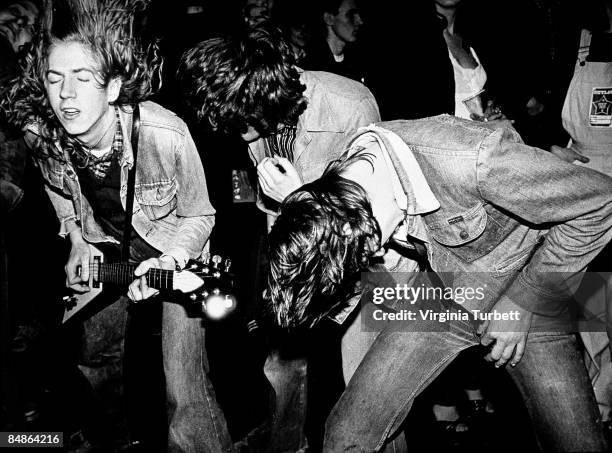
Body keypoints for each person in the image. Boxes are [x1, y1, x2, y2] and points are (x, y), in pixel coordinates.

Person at [266, 115, 612, 452]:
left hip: (525, 288)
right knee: (345, 435)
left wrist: (523, 301)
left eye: (366, 256)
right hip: (440, 291)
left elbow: (601, 203)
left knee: (576, 443)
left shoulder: (474, 159)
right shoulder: (342, 187)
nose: (374, 257)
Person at [0, 1, 231, 452]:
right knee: (93, 361)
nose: (66, 94)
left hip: (176, 259)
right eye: (54, 78)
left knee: (183, 386)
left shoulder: (165, 133)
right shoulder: (43, 133)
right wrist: (75, 235)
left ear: (112, 87)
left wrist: (169, 260)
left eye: (82, 78)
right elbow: (56, 188)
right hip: (110, 255)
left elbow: (202, 214)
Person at [178, 24, 380, 451]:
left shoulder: (350, 105)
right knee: (281, 365)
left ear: (262, 92)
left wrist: (297, 197)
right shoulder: (251, 112)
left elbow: (369, 220)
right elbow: (268, 202)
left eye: (238, 118)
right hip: (293, 253)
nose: (235, 131)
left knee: (368, 388)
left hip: (361, 263)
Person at [549, 0, 612, 436]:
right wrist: (549, 146)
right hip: (582, 181)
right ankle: (595, 406)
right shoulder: (576, 40)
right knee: (590, 300)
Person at [302, 0, 365, 82]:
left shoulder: (358, 61)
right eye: (351, 15)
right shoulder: (310, 63)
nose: (360, 22)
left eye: (358, 15)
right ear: (329, 18)